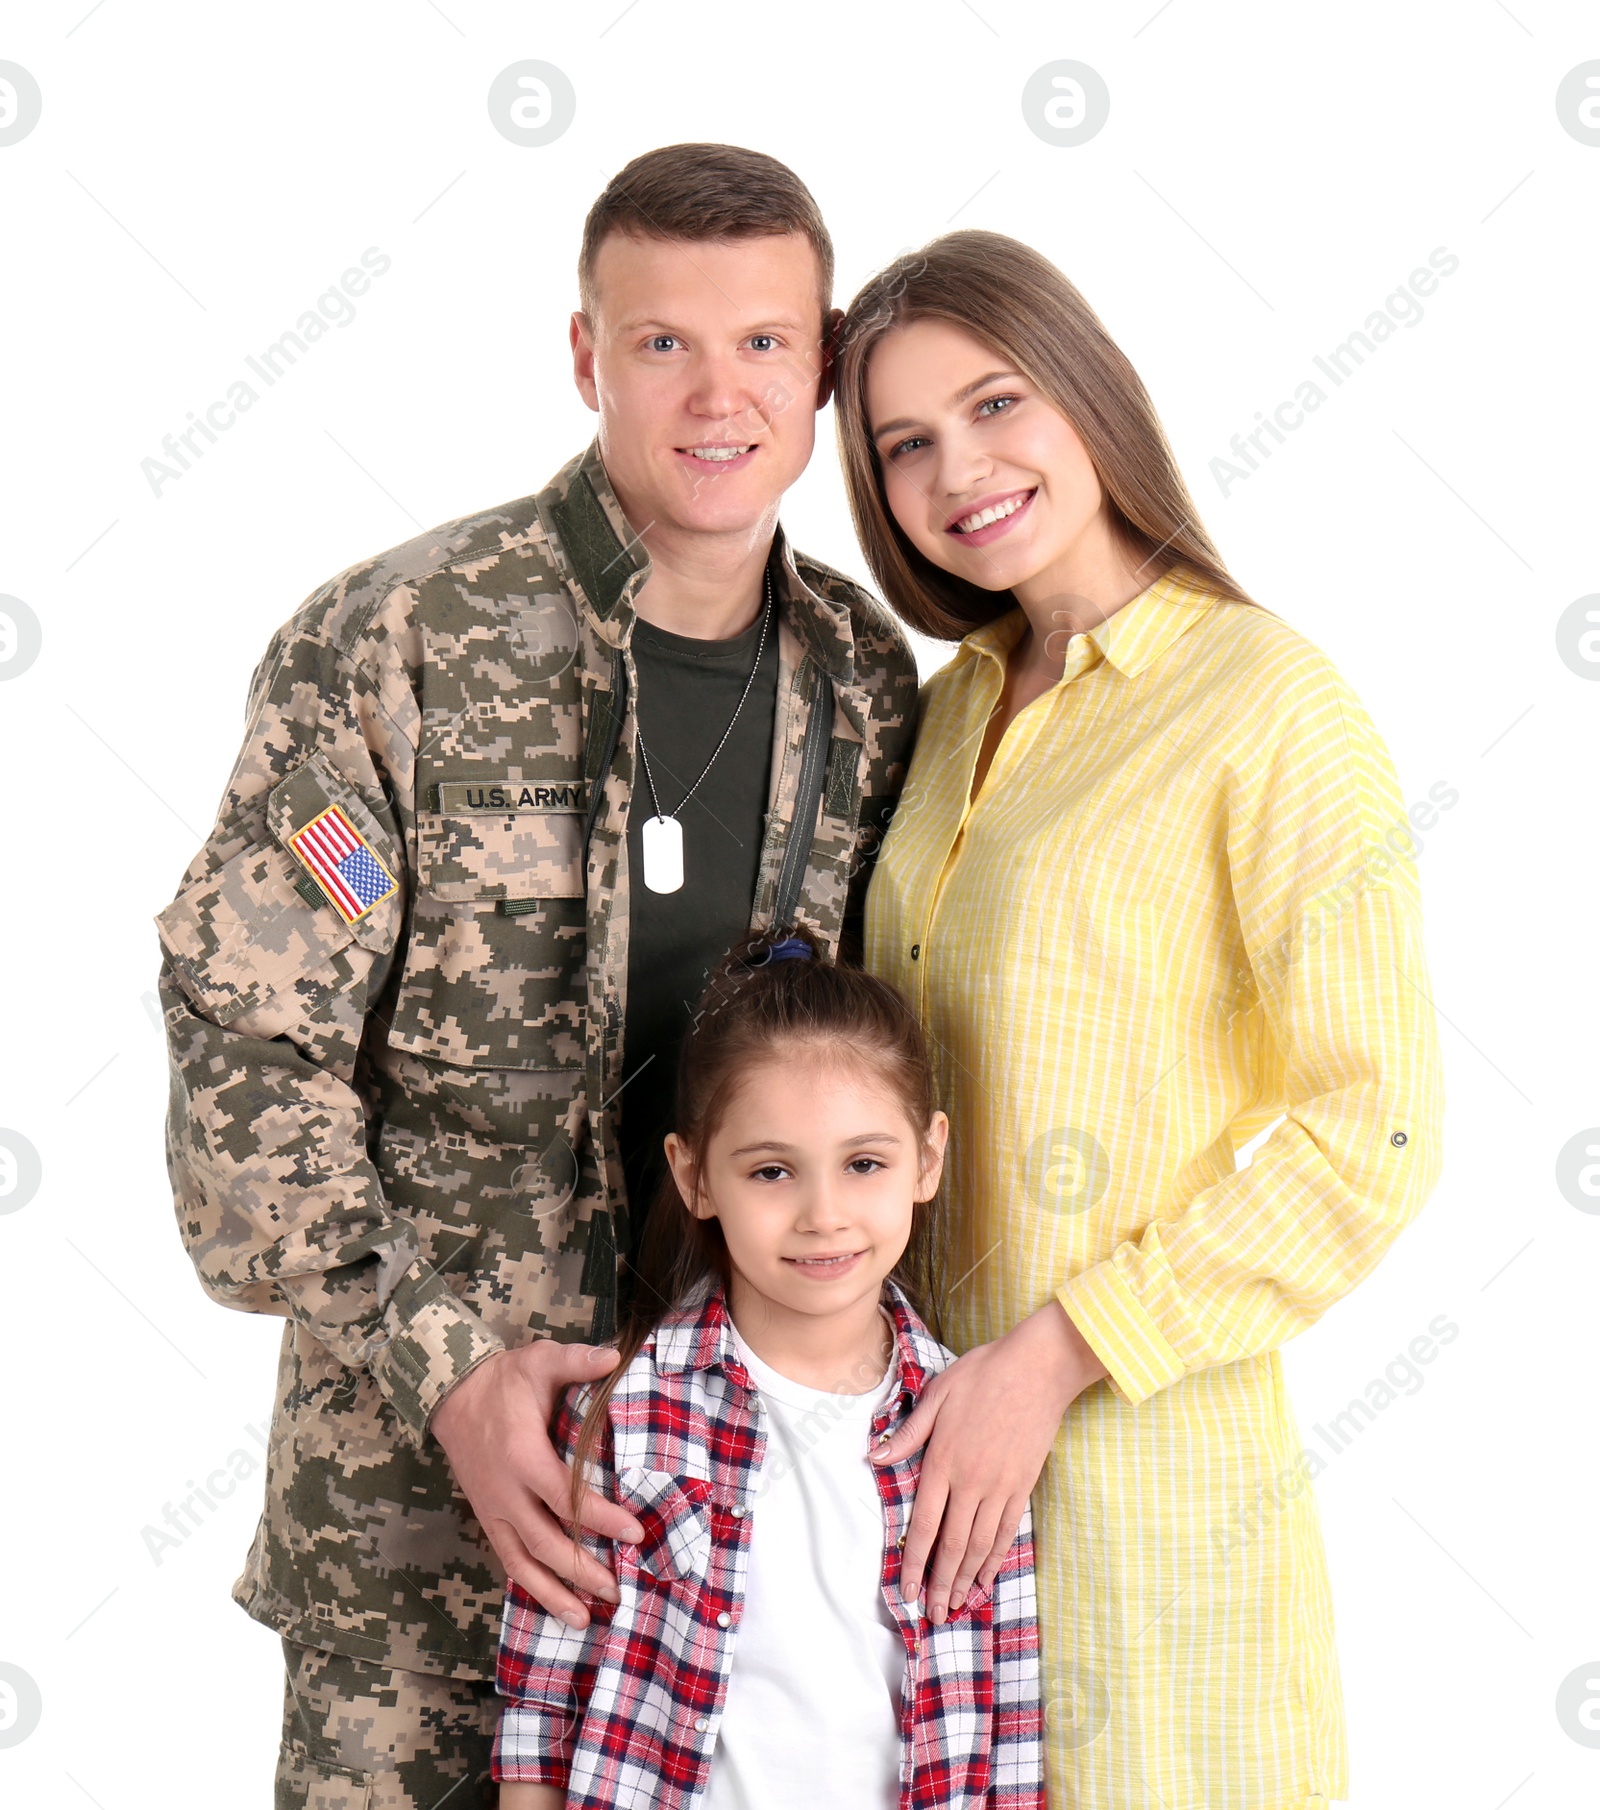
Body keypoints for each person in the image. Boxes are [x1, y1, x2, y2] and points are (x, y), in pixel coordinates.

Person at [154, 143, 918, 1807]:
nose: (718, 396)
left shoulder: (864, 682)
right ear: (586, 355)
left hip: (732, 1530)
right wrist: (449, 1365)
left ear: (826, 361)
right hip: (415, 1547)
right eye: (663, 344)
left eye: (766, 344)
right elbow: (246, 1055)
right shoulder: (398, 639)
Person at [832, 230, 1445, 1808]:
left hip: (1147, 1498)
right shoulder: (955, 700)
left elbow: (1372, 1130)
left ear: (1089, 391)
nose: (958, 468)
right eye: (905, 445)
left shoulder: (1266, 702)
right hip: (916, 1495)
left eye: (994, 402)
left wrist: (1059, 1352)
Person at [493, 931, 1044, 1810]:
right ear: (696, 1176)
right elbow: (540, 1704)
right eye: (773, 1171)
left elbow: (1009, 1732)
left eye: (865, 1164)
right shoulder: (626, 1413)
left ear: (928, 1160)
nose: (824, 1215)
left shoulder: (969, 1431)